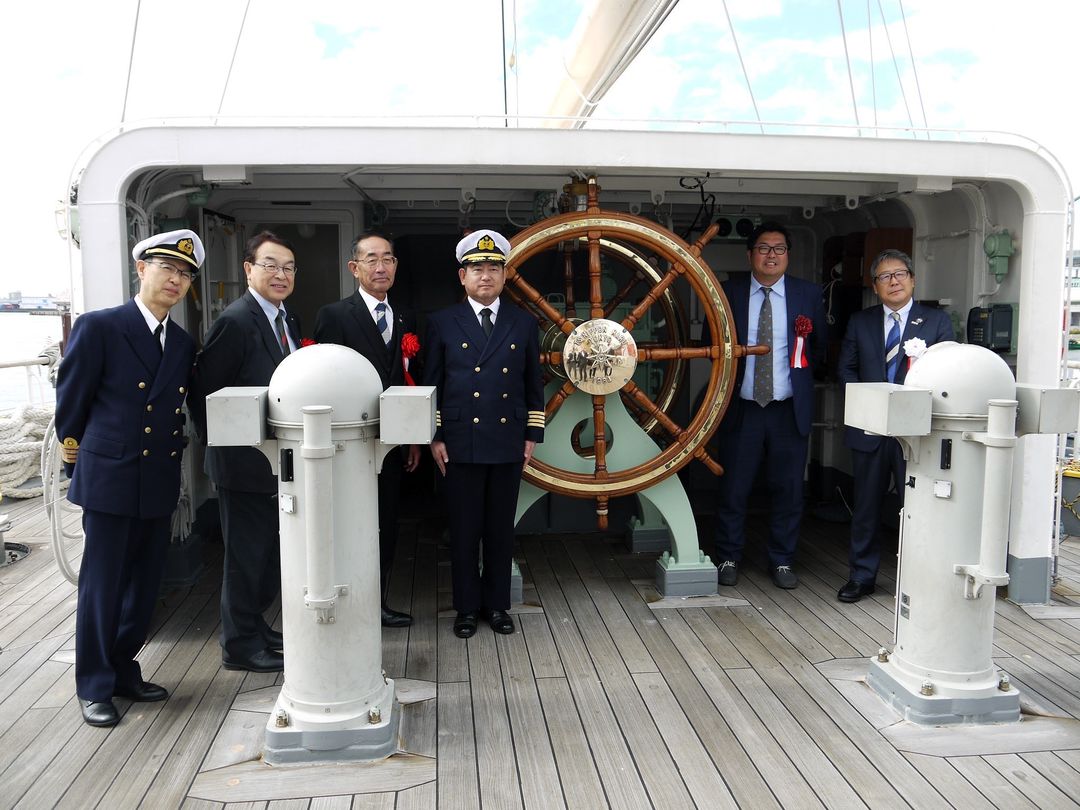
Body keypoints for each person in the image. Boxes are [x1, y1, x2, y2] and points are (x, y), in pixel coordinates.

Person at [56, 229, 202, 726]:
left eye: (185, 274)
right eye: (167, 268)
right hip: (110, 476)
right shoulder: (100, 327)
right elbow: (71, 404)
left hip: (157, 478)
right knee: (103, 587)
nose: (176, 279)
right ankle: (94, 684)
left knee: (143, 587)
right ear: (141, 269)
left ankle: (123, 669)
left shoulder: (181, 343)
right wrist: (77, 463)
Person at [190, 231, 301, 673]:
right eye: (270, 265)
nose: (280, 275)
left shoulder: (284, 319)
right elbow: (205, 394)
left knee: (267, 555)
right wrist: (225, 452)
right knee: (245, 558)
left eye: (288, 267)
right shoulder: (236, 321)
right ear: (248, 269)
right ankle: (239, 645)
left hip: (272, 462)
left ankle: (255, 627)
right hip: (242, 464)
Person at [424, 229, 544, 638]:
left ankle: (497, 606)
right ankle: (465, 607)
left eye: (494, 268)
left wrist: (532, 434)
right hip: (460, 440)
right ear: (463, 277)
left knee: (499, 530)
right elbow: (433, 384)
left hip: (507, 440)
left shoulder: (524, 323)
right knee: (464, 530)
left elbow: (533, 384)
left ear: (505, 275)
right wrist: (434, 436)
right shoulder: (442, 322)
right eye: (477, 269)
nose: (486, 276)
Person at [313, 231, 419, 627]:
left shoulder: (405, 316)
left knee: (386, 523)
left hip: (390, 443)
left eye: (387, 259)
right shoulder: (335, 315)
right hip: (350, 444)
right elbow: (327, 381)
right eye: (371, 259)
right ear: (354, 268)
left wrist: (412, 438)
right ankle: (349, 603)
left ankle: (376, 602)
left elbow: (408, 380)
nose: (380, 267)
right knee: (351, 525)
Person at [836, 249, 953, 602]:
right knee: (866, 508)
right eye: (885, 276)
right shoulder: (860, 321)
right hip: (870, 428)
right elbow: (846, 370)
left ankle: (920, 578)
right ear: (875, 286)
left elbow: (946, 373)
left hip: (916, 433)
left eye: (900, 274)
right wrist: (869, 405)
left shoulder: (936, 322)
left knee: (918, 508)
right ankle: (862, 576)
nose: (894, 281)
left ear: (913, 279)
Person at [714, 222, 826, 589]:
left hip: (787, 409)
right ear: (750, 255)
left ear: (788, 255)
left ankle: (782, 560)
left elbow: (819, 347)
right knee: (734, 487)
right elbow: (712, 344)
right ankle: (728, 555)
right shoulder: (728, 292)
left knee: (788, 489)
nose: (772, 255)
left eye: (779, 248)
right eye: (764, 248)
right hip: (741, 407)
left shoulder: (808, 294)